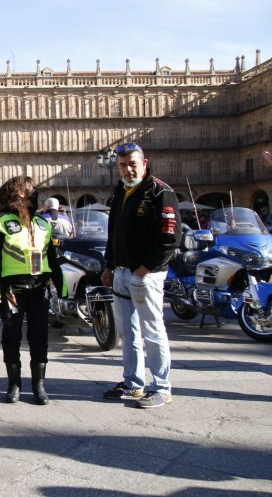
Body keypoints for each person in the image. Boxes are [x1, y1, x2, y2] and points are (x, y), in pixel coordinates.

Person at [101, 143, 181, 408]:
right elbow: (114, 232)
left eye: (133, 163)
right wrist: (109, 265)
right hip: (122, 272)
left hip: (146, 275)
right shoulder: (121, 190)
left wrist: (144, 270)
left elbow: (169, 239)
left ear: (144, 162)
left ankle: (161, 386)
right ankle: (133, 383)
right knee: (128, 332)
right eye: (123, 165)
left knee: (152, 329)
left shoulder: (160, 192)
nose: (128, 169)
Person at [0, 177, 65, 405]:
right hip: (12, 290)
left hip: (39, 288)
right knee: (11, 337)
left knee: (39, 337)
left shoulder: (43, 223)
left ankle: (39, 385)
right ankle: (14, 384)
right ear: (19, 194)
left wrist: (61, 286)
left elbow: (51, 258)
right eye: (31, 190)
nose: (35, 193)